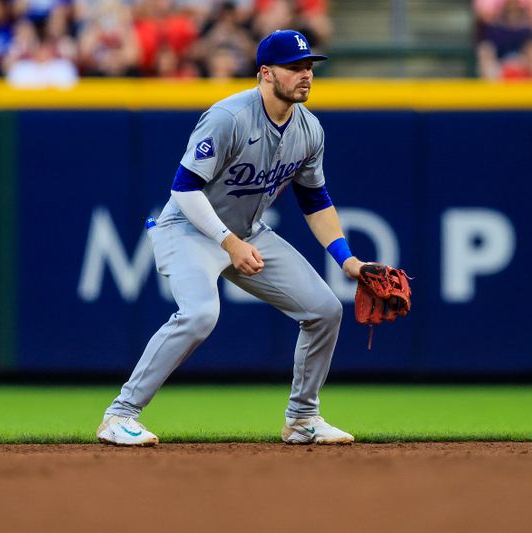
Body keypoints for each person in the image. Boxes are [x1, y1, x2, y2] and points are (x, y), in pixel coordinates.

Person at [97, 29, 364, 446]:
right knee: (200, 314)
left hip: (247, 231)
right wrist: (229, 243)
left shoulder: (310, 130)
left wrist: (347, 259)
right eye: (294, 67)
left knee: (325, 310)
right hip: (188, 229)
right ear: (265, 73)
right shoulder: (230, 116)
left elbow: (315, 200)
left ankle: (302, 419)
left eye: (309, 66)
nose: (305, 75)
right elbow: (184, 189)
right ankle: (119, 415)